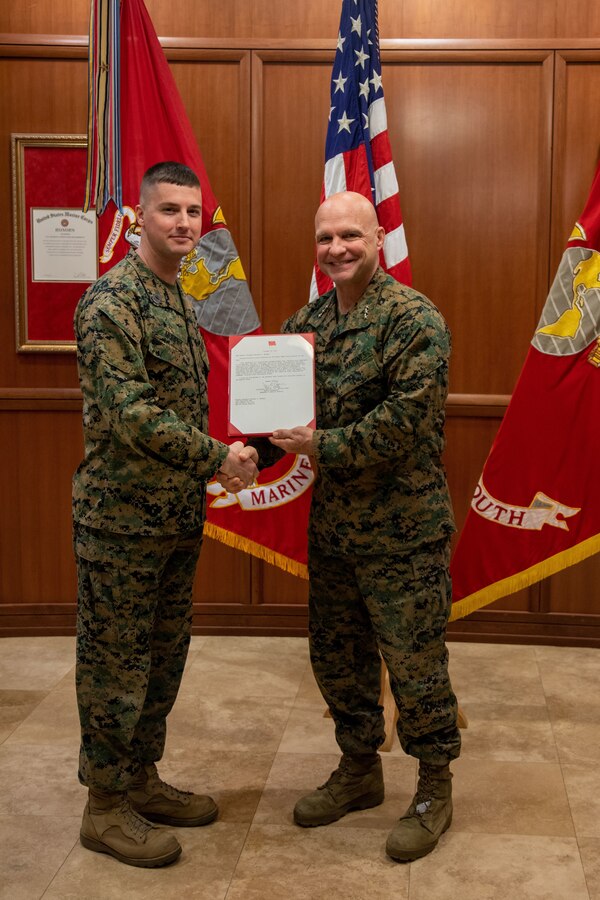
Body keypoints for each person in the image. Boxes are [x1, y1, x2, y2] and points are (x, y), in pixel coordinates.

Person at [72, 161, 258, 868]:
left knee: (161, 659)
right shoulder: (112, 302)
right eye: (169, 210)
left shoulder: (179, 295)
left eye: (192, 212)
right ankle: (103, 807)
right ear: (139, 217)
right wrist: (219, 458)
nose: (183, 223)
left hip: (174, 517)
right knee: (114, 665)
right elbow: (133, 415)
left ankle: (140, 780)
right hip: (121, 522)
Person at [266, 190, 461, 862]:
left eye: (350, 235)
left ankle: (434, 787)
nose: (337, 248)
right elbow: (280, 417)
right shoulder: (303, 326)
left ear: (379, 239)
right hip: (335, 533)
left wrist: (318, 445)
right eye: (325, 238)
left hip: (405, 534)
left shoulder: (415, 320)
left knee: (415, 665)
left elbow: (403, 426)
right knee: (338, 660)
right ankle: (358, 769)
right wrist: (244, 452)